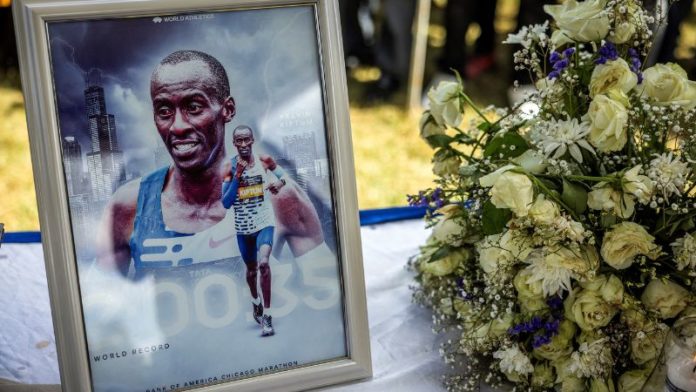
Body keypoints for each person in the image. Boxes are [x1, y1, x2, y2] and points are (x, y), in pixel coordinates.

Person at [97, 50, 326, 331]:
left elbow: (328, 305)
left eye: (194, 107)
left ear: (227, 110)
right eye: (164, 111)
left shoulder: (283, 199)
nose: (178, 126)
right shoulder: (127, 207)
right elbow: (104, 320)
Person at [220, 125, 286, 337]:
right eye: (238, 141)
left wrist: (279, 184)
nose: (243, 145)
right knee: (251, 271)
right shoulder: (229, 168)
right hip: (243, 228)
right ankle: (255, 301)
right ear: (234, 144)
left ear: (252, 140)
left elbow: (282, 176)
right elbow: (226, 203)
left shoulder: (264, 160)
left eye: (246, 140)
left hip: (264, 222)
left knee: (264, 264)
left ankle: (267, 316)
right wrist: (238, 176)